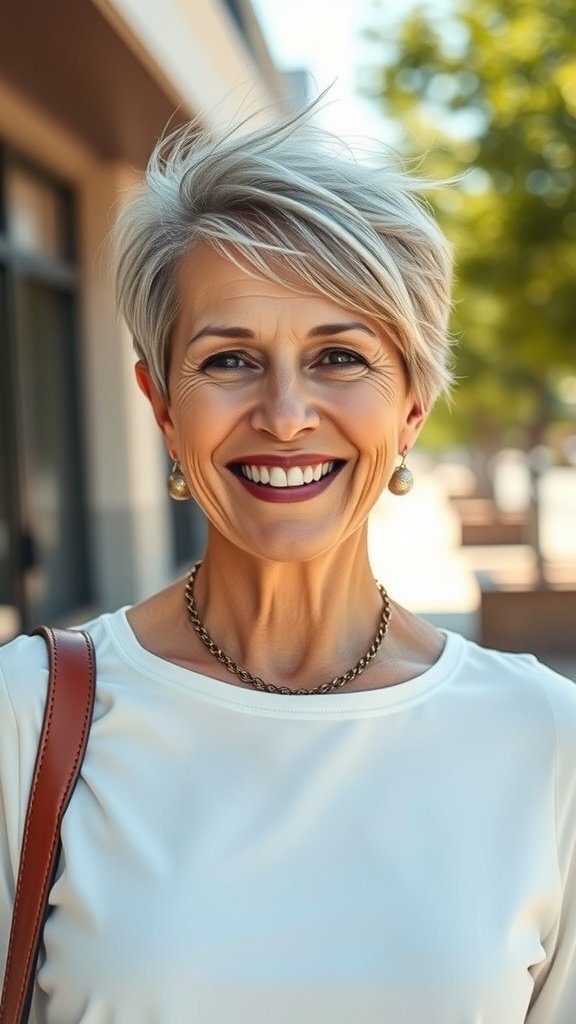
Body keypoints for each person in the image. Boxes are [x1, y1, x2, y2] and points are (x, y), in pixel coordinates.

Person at [1, 103, 575, 1024]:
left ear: (413, 408)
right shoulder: (28, 715)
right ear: (160, 406)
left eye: (339, 357)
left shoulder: (547, 739)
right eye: (229, 360)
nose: (285, 414)